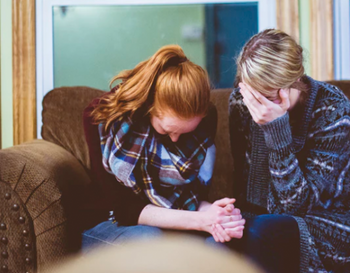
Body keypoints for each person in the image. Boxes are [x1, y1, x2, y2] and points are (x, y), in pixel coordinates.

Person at [227, 29, 350, 273]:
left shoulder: (332, 108)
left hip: (334, 219)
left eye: (266, 95)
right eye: (252, 93)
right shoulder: (242, 103)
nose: (255, 104)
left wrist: (277, 130)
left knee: (263, 232)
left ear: (291, 83)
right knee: (225, 240)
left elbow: (296, 208)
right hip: (266, 218)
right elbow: (245, 183)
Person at [82, 45, 244, 251]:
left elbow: (192, 197)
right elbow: (124, 209)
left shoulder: (206, 119)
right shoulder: (101, 118)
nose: (175, 140)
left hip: (173, 220)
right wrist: (202, 221)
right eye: (166, 131)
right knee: (151, 241)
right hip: (110, 221)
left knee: (221, 244)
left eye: (184, 133)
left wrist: (216, 214)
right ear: (149, 107)